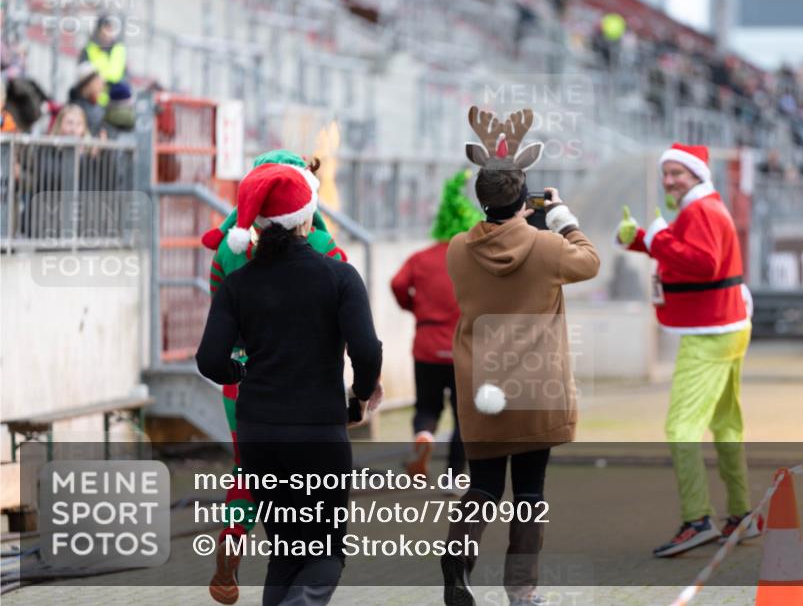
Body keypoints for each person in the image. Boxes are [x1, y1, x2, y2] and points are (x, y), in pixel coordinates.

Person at [196, 159, 382, 606]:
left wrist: (238, 374)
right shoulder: (339, 276)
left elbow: (209, 359)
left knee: (285, 551)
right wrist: (358, 396)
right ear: (307, 214)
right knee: (324, 551)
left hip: (259, 431)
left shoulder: (239, 284)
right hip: (318, 430)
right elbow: (367, 351)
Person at [441, 106, 600, 606]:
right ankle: (522, 592)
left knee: (484, 487)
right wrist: (561, 218)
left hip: (481, 388)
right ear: (523, 196)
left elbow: (492, 251)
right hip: (536, 389)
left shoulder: (456, 250)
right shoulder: (550, 247)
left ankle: (456, 564)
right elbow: (590, 262)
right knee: (529, 494)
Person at [617, 143, 756, 557]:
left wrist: (654, 238)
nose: (670, 180)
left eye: (677, 173)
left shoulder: (700, 210)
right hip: (726, 325)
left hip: (710, 331)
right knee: (727, 424)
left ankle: (698, 520)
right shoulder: (705, 207)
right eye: (667, 173)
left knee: (681, 428)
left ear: (696, 174)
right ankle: (741, 514)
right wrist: (642, 239)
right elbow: (685, 251)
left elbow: (703, 263)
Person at [391, 169, 481, 481]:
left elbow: (398, 283)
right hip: (464, 349)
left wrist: (413, 306)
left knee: (427, 407)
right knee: (464, 418)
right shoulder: (475, 260)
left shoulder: (421, 258)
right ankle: (456, 478)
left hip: (426, 346)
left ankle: (424, 435)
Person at [78, 15, 127, 106]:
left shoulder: (118, 49)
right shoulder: (89, 48)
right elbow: (83, 73)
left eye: (110, 30)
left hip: (112, 100)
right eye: (105, 30)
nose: (107, 34)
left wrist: (98, 75)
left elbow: (116, 75)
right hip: (91, 100)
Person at [67, 62, 107, 137]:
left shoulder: (98, 108)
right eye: (97, 82)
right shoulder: (75, 109)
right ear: (87, 85)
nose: (102, 86)